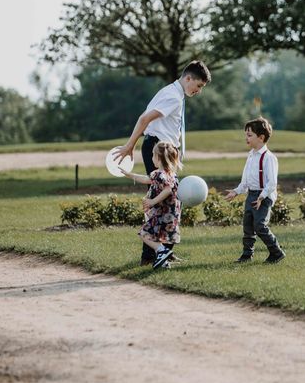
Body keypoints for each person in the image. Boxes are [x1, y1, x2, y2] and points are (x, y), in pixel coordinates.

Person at [114, 60, 211, 265]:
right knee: (162, 197)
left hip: (165, 149)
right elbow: (144, 119)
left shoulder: (173, 93)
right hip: (158, 149)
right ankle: (151, 255)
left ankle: (164, 250)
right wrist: (129, 145)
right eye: (199, 86)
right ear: (188, 78)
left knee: (169, 199)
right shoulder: (173, 97)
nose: (199, 91)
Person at [224, 117, 286, 264]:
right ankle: (247, 254)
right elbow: (246, 180)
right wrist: (236, 191)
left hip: (264, 197)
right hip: (252, 194)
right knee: (248, 225)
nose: (246, 138)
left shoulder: (268, 158)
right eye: (246, 134)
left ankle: (276, 252)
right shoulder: (251, 155)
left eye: (249, 135)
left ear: (261, 137)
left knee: (260, 225)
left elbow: (272, 183)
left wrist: (262, 197)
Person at [120, 141, 182, 269]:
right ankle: (163, 262)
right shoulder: (169, 174)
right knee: (158, 237)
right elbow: (144, 179)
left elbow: (168, 189)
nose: (151, 158)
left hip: (163, 214)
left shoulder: (161, 175)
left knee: (144, 234)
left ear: (158, 158)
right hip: (170, 214)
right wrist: (128, 174)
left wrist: (152, 202)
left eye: (153, 155)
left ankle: (162, 251)